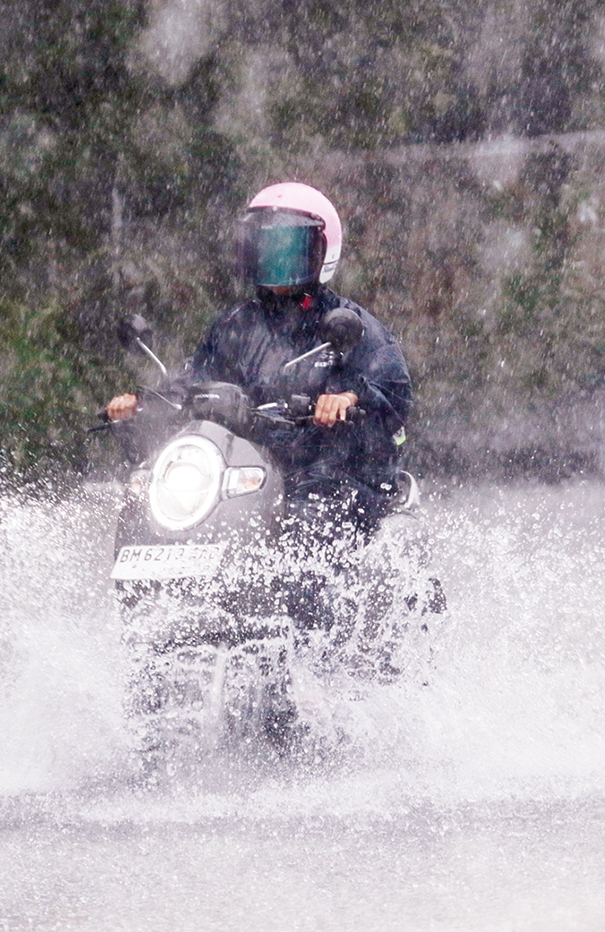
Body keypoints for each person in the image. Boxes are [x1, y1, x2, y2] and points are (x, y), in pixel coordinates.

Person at [105, 182, 413, 628]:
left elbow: (392, 389)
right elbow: (192, 381)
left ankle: (307, 657)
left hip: (326, 471)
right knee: (152, 508)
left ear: (321, 251)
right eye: (264, 246)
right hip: (246, 472)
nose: (276, 260)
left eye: (288, 248)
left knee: (303, 540)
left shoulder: (349, 325)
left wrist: (347, 398)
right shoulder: (235, 325)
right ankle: (150, 637)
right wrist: (144, 403)